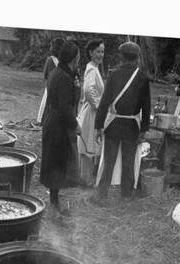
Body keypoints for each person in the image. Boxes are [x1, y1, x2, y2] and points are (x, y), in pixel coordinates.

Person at [93, 41, 151, 204]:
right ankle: (126, 194)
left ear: (122, 57)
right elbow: (146, 107)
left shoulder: (114, 74)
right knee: (128, 160)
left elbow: (104, 102)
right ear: (137, 58)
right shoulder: (143, 78)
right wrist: (144, 129)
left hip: (113, 125)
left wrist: (98, 126)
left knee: (109, 160)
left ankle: (102, 193)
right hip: (132, 126)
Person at [40, 40, 82, 213]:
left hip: (52, 120)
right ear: (74, 58)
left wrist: (77, 87)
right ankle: (55, 204)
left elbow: (70, 101)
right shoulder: (64, 77)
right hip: (58, 124)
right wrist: (76, 125)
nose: (79, 59)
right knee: (56, 162)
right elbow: (66, 107)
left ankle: (54, 200)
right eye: (78, 56)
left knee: (54, 161)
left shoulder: (58, 72)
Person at [77, 39, 105, 185]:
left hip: (91, 110)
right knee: (88, 144)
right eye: (98, 51)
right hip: (91, 112)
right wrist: (99, 106)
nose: (101, 55)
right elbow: (88, 90)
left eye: (102, 52)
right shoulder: (92, 69)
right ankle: (85, 179)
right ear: (91, 52)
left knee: (90, 144)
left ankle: (85, 177)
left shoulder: (94, 68)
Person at [36, 37, 65, 124]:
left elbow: (45, 75)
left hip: (50, 87)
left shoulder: (50, 60)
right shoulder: (63, 61)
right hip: (61, 89)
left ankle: (43, 120)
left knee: (46, 106)